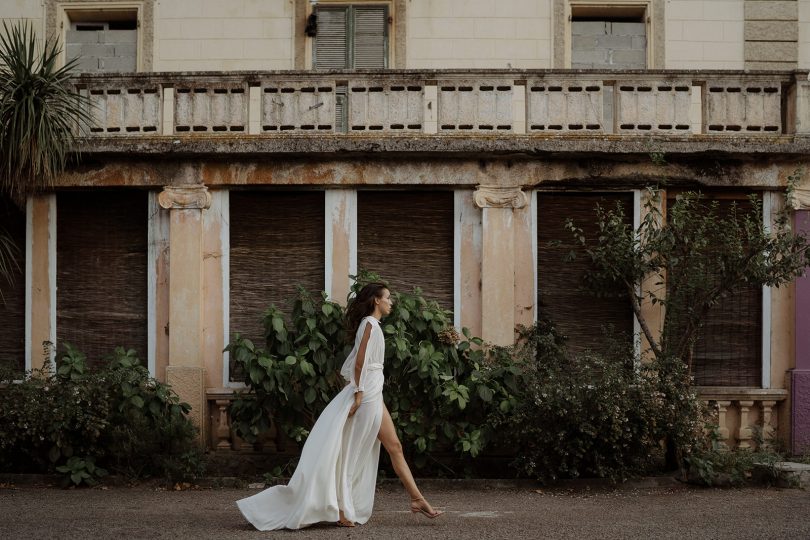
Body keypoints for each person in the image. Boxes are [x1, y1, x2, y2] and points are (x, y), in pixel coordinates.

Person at [236, 282, 444, 530]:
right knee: (352, 452)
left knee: (395, 446)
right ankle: (343, 508)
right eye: (388, 298)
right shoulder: (369, 324)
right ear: (376, 300)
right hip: (366, 394)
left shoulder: (373, 326)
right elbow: (359, 362)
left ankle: (417, 499)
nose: (392, 302)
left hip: (374, 392)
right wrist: (358, 394)